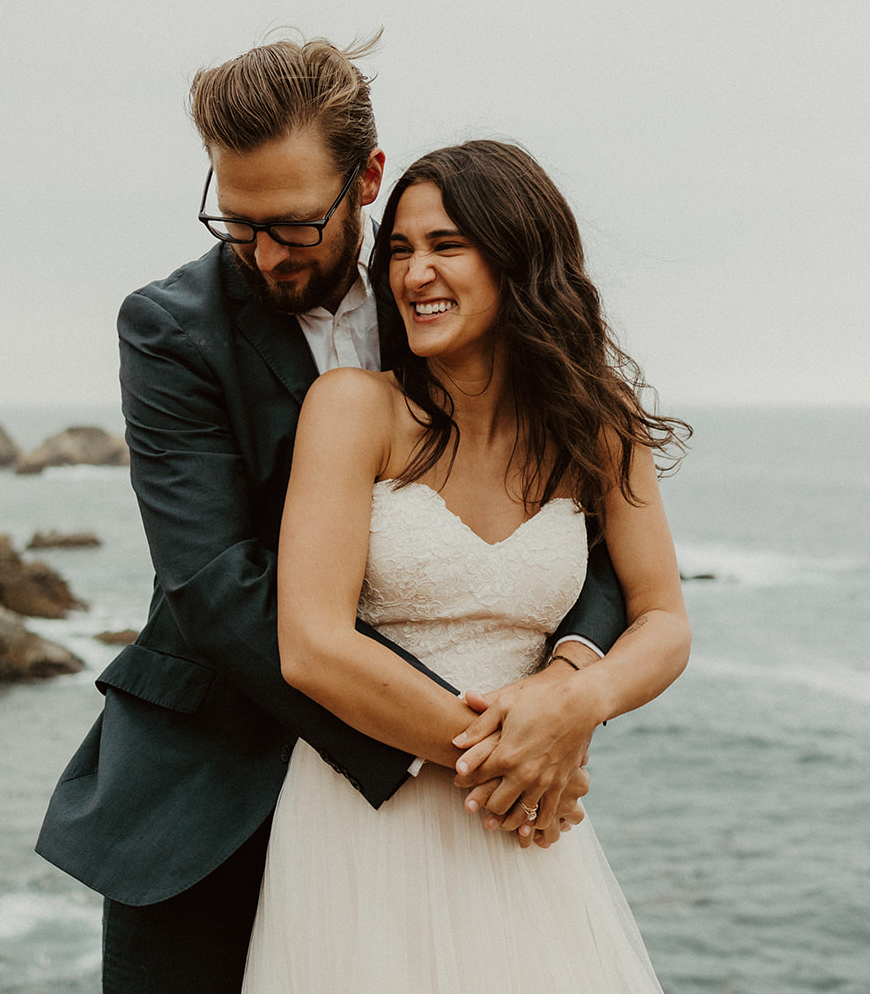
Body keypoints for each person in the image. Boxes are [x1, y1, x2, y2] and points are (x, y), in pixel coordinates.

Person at [36, 38, 628, 994]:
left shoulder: (437, 294)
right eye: (237, 223)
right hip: (210, 789)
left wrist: (568, 688)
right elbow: (214, 584)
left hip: (445, 810)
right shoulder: (169, 327)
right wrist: (481, 752)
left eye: (294, 226)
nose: (264, 254)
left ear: (367, 181)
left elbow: (575, 527)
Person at [242, 139, 691, 993]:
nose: (414, 275)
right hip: (370, 815)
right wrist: (510, 757)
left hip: (524, 822)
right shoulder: (351, 409)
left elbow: (662, 618)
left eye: (446, 246)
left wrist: (574, 703)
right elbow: (311, 646)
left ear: (519, 256)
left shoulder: (600, 426)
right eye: (400, 251)